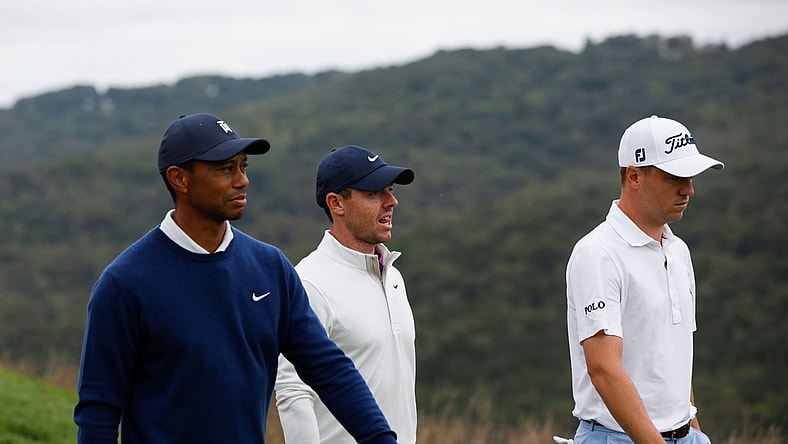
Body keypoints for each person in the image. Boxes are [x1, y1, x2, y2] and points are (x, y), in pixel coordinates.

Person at [73, 114, 398, 444]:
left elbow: (330, 370)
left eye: (243, 167)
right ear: (179, 179)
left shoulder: (270, 267)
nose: (242, 180)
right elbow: (98, 412)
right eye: (225, 169)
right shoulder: (125, 285)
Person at [565, 115, 723, 444]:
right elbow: (603, 370)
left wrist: (692, 429)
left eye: (691, 176)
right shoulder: (598, 254)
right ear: (635, 176)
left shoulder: (678, 250)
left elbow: (674, 355)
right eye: (675, 177)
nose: (689, 189)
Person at [275, 145, 417, 443]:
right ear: (336, 203)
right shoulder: (309, 283)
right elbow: (293, 391)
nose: (392, 201)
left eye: (389, 190)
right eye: (374, 193)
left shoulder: (393, 276)